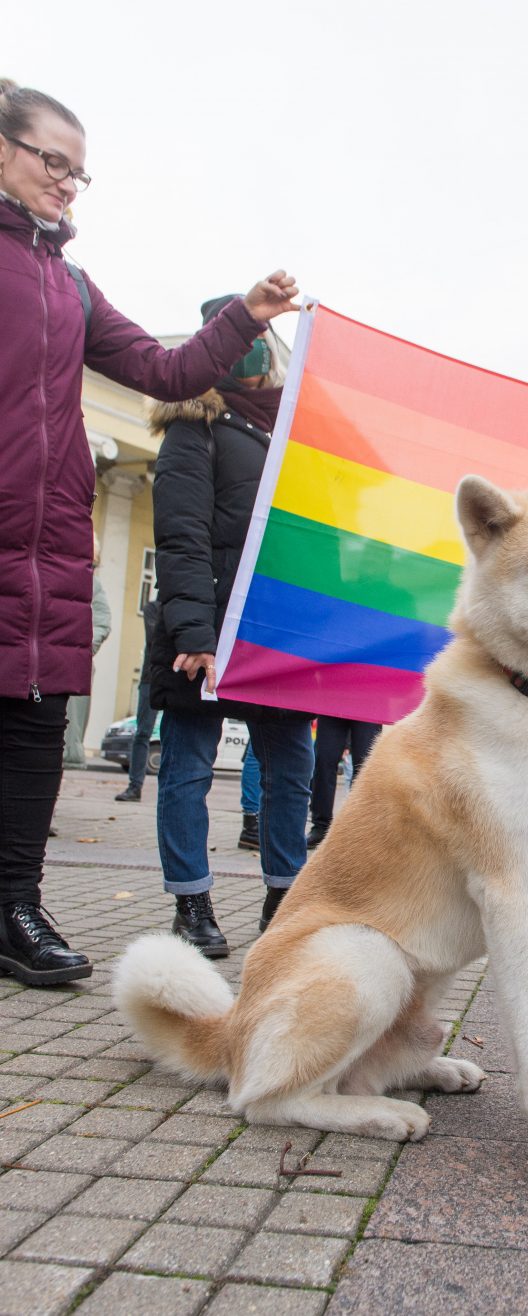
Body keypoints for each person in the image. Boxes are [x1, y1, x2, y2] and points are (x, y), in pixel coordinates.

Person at [0, 78, 300, 986]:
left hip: (49, 544)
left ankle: (15, 907)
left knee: (35, 726)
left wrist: (242, 315)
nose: (68, 184)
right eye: (54, 161)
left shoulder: (75, 286)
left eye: (80, 173)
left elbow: (164, 370)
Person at [150, 295, 315, 956]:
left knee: (291, 765)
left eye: (260, 336)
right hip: (209, 630)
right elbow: (182, 535)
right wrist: (193, 633)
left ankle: (284, 896)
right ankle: (192, 903)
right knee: (188, 766)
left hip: (273, 630)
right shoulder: (196, 429)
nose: (253, 352)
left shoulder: (291, 432)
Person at [63, 538, 111, 768]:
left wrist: (81, 650)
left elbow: (102, 622)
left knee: (65, 739)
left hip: (73, 665)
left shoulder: (93, 585)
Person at [307, 715, 381, 849]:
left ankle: (359, 827)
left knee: (364, 766)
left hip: (369, 702)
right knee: (324, 760)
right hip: (333, 702)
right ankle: (320, 826)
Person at [114, 598, 159, 802]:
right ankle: (135, 787)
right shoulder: (152, 608)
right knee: (143, 733)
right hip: (151, 678)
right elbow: (154, 639)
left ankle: (169, 789)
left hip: (178, 679)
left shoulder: (182, 605)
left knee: (172, 735)